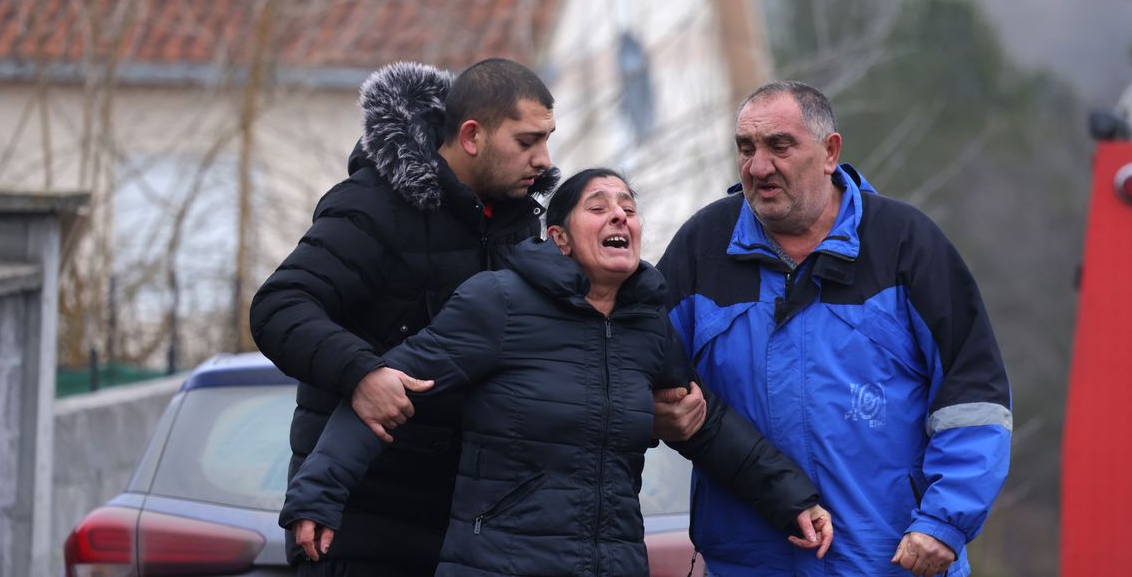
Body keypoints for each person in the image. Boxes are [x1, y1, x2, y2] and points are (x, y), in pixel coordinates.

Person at [249, 60, 705, 575]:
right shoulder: (374, 207)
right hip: (362, 518)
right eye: (527, 141)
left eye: (548, 139)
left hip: (469, 527)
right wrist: (361, 373)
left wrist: (646, 409)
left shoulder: (523, 228)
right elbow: (279, 306)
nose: (544, 159)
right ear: (471, 136)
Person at [281, 169, 834, 576]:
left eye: (628, 207)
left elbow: (706, 424)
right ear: (559, 239)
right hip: (500, 564)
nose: (620, 215)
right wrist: (317, 495)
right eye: (598, 206)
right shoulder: (498, 302)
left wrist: (792, 499)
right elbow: (388, 391)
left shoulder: (648, 326)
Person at [657, 82, 1012, 577]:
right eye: (746, 148)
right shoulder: (702, 246)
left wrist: (944, 520)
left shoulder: (904, 243)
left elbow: (974, 396)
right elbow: (640, 369)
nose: (759, 167)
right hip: (748, 563)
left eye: (779, 146)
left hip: (893, 561)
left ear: (830, 152)